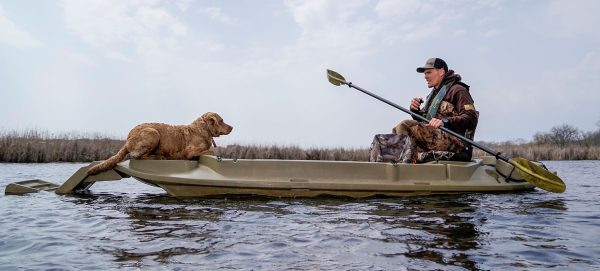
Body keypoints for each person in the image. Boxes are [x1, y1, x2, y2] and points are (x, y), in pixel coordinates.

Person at [393, 57, 479, 163]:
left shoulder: (458, 90)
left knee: (410, 130)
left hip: (456, 142)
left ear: (441, 72)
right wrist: (415, 110)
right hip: (435, 136)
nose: (425, 76)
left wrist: (444, 122)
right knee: (401, 127)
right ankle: (404, 164)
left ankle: (405, 166)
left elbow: (471, 117)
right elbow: (424, 121)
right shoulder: (434, 95)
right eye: (424, 74)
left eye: (429, 72)